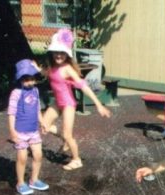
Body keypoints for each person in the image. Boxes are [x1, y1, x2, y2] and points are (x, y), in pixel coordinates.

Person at [39, 29, 111, 171]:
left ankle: (76, 159)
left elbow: (83, 86)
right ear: (51, 53)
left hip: (68, 104)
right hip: (57, 102)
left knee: (68, 134)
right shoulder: (51, 67)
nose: (59, 55)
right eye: (56, 52)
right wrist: (36, 68)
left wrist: (98, 105)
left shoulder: (67, 69)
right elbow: (47, 74)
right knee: (44, 126)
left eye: (62, 52)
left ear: (67, 54)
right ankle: (65, 140)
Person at [7, 59, 49, 195]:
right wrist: (12, 131)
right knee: (22, 158)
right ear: (20, 79)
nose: (29, 82)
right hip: (20, 132)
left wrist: (42, 122)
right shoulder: (16, 93)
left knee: (38, 155)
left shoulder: (35, 91)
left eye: (32, 79)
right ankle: (20, 183)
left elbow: (37, 109)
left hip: (33, 130)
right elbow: (11, 113)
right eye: (26, 80)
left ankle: (34, 179)